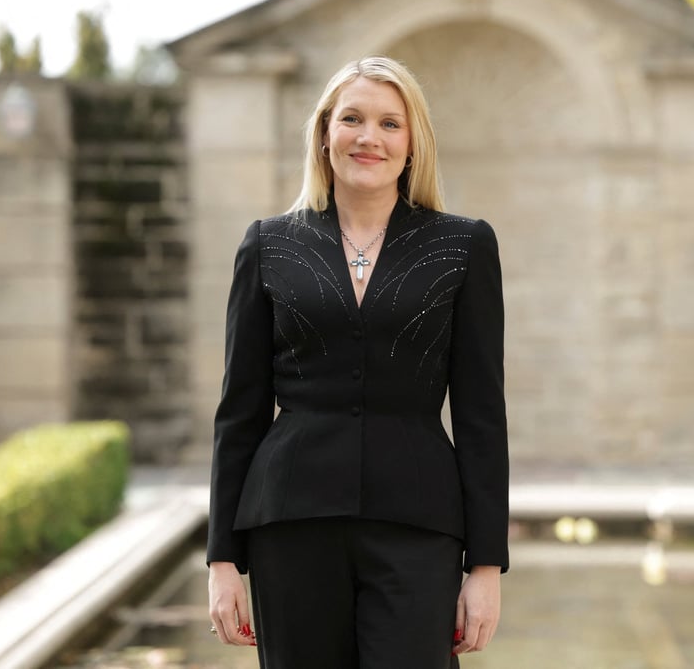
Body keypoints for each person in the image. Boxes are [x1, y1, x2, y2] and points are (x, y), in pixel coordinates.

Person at [206, 55, 509, 668]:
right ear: (324, 134)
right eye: (352, 119)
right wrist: (221, 561)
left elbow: (481, 415)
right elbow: (239, 409)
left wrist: (485, 566)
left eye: (390, 124)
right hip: (290, 520)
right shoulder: (268, 244)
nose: (369, 137)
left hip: (420, 522)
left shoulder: (463, 245)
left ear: (413, 143)